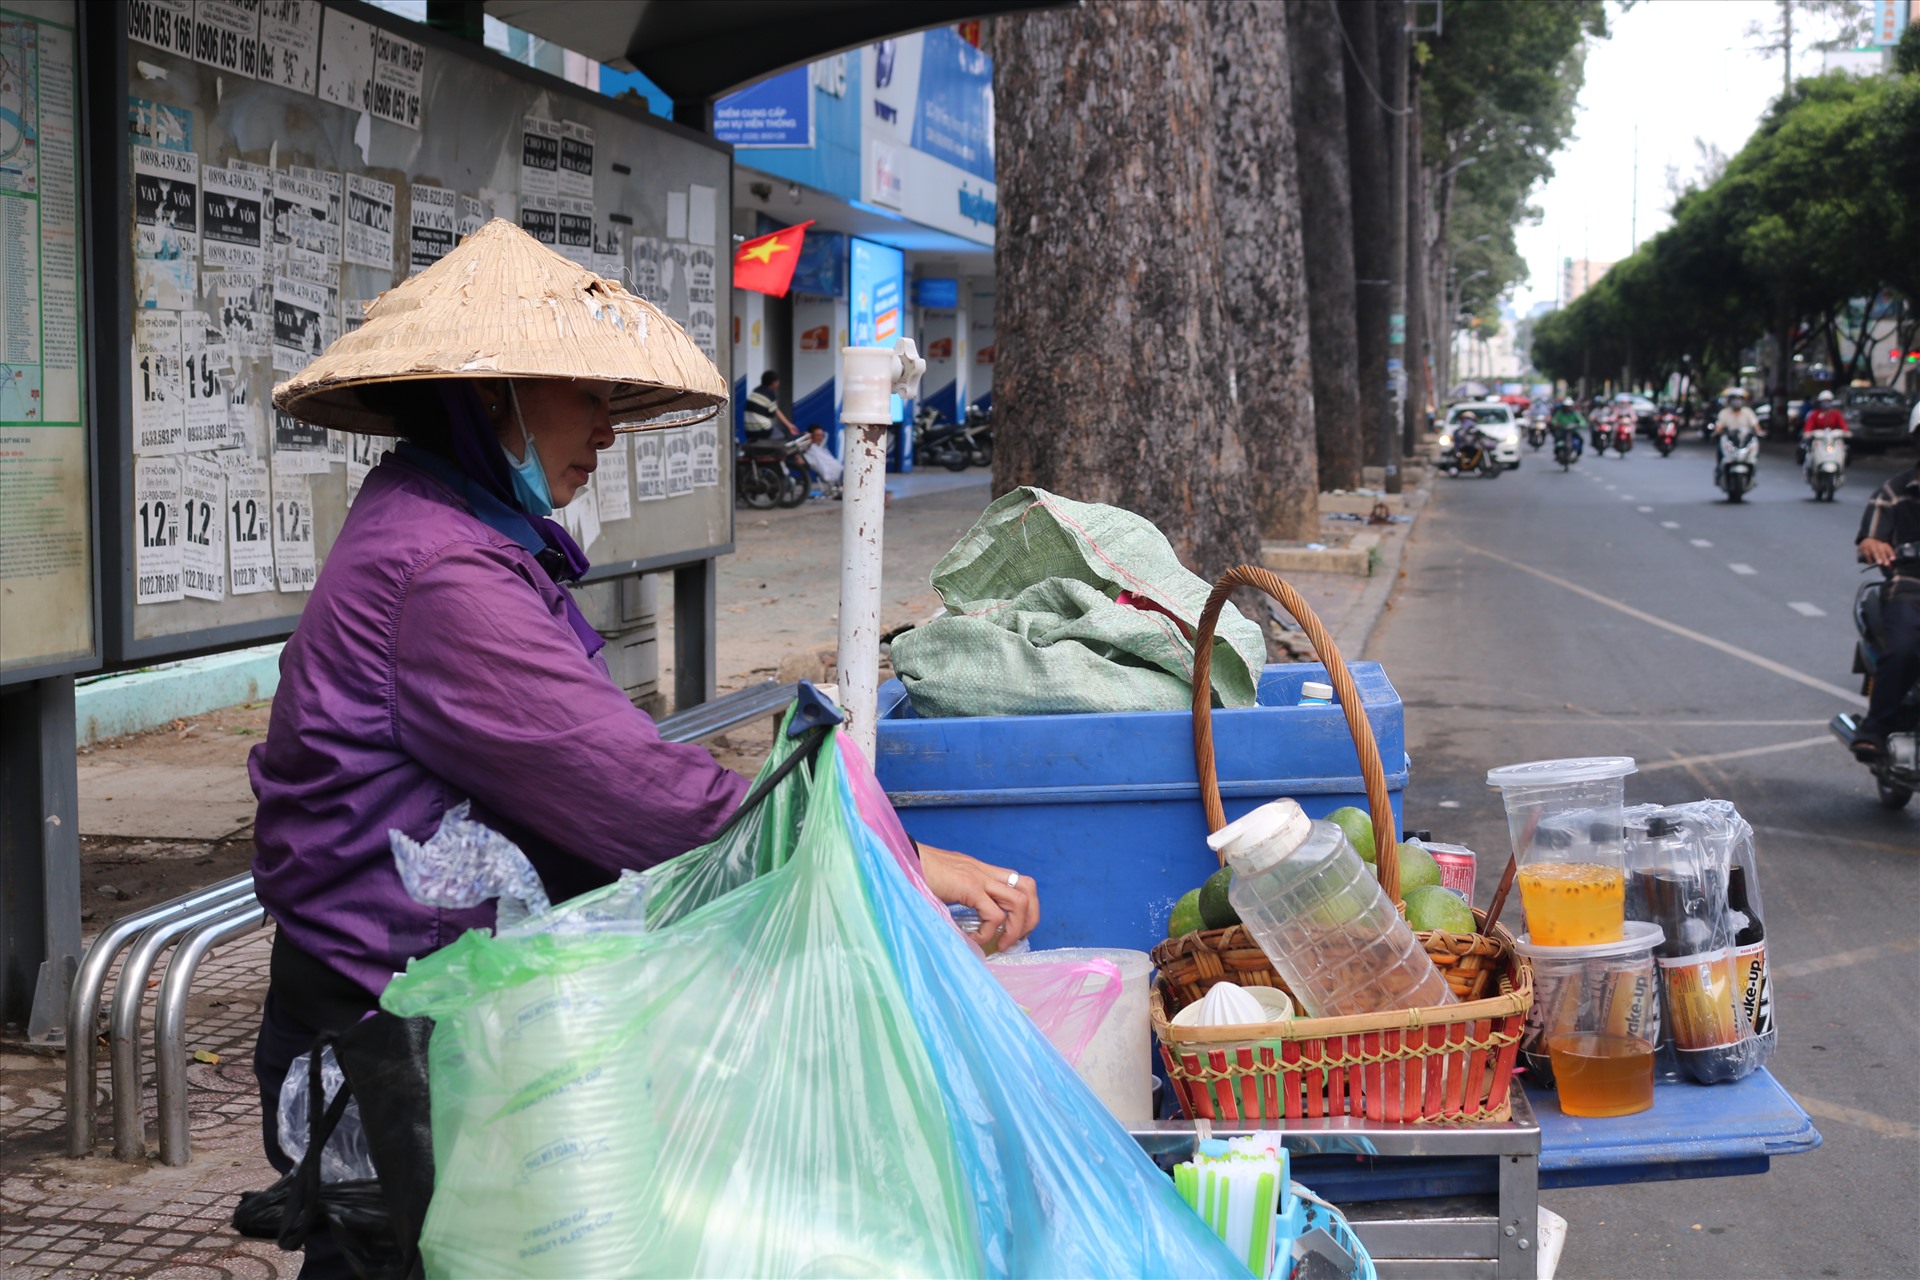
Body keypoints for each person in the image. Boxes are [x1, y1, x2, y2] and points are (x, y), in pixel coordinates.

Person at [251, 221, 1038, 1275]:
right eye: (588, 397)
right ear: (495, 396)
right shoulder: (440, 573)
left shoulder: (457, 532)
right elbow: (634, 792)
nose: (609, 433)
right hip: (388, 1041)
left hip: (455, 1022)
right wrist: (873, 847)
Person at [1851, 435, 1920, 763]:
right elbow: (1870, 538)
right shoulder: (1894, 491)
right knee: (1904, 648)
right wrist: (1872, 545)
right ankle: (1875, 728)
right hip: (1909, 586)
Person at [743, 369, 800, 441]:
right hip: (763, 431)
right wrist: (789, 426)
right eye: (778, 381)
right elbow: (773, 413)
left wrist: (789, 425)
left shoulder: (755, 391)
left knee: (779, 428)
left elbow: (775, 410)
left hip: (749, 432)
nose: (778, 384)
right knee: (785, 434)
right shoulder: (769, 393)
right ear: (774, 382)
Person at [1800, 389, 1848, 465]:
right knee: (1809, 452)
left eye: (1828, 401)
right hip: (1819, 439)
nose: (1826, 403)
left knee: (1844, 449)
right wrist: (1808, 433)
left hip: (1833, 440)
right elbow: (1809, 426)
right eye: (1824, 401)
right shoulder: (1815, 414)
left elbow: (1843, 425)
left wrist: (1846, 432)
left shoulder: (1836, 414)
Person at [803, 422, 844, 493]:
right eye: (818, 435)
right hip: (834, 475)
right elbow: (806, 439)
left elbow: (826, 435)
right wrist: (808, 437)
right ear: (812, 436)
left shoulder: (822, 447)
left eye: (822, 435)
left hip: (841, 472)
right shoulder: (809, 449)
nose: (820, 438)